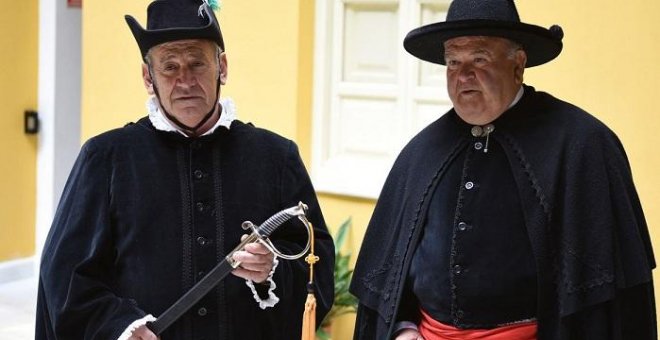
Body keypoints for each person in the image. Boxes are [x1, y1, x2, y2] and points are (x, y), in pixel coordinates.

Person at [350, 0, 656, 339]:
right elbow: (391, 281)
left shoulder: (583, 146)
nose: (463, 75)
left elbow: (613, 305)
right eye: (453, 61)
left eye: (479, 58)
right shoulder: (421, 153)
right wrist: (404, 330)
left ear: (518, 64)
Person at [35, 1, 334, 339]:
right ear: (148, 77)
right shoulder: (105, 158)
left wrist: (271, 272)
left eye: (196, 63)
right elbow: (65, 275)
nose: (185, 80)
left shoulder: (277, 157)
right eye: (169, 67)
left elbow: (315, 263)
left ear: (222, 67)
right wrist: (120, 326)